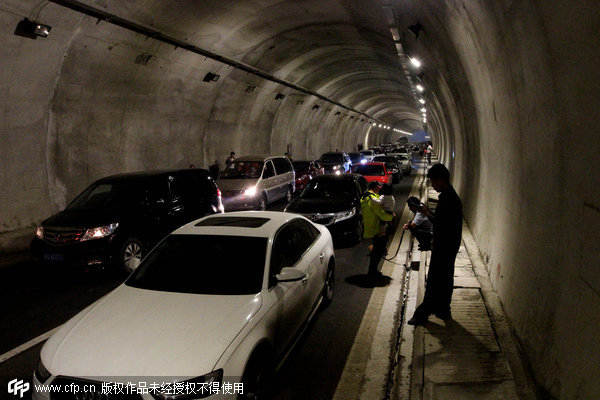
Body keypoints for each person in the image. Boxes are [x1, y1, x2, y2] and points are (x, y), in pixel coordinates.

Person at [408, 163, 462, 325]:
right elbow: (442, 221)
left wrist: (427, 214)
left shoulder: (448, 199)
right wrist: (427, 213)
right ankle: (443, 310)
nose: (432, 185)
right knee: (445, 278)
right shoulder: (450, 196)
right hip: (450, 245)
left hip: (444, 246)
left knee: (434, 280)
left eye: (433, 181)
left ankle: (423, 312)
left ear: (441, 180)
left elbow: (442, 224)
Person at [360, 181, 394, 278]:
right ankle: (372, 272)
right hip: (377, 229)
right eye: (378, 186)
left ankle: (373, 270)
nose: (380, 188)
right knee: (378, 251)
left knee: (377, 250)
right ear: (375, 187)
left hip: (371, 227)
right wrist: (391, 217)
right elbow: (382, 215)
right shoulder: (373, 199)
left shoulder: (365, 197)